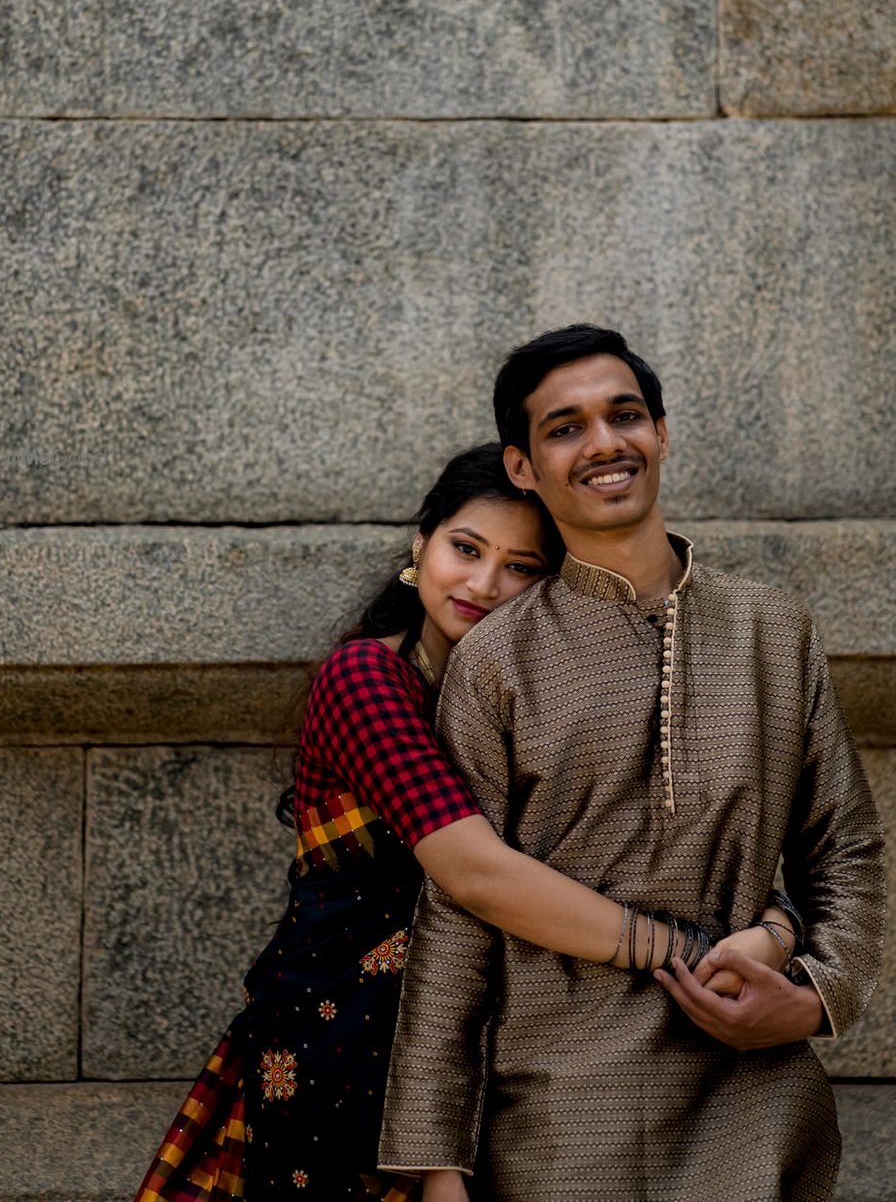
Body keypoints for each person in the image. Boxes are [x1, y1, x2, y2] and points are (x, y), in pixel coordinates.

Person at [133, 443, 749, 1202]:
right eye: (466, 549)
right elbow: (477, 874)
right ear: (421, 544)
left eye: (521, 567)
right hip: (348, 1052)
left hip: (500, 1058)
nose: (485, 585)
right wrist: (682, 953)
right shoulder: (367, 678)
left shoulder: (535, 705)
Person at [378, 327, 885, 1202]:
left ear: (661, 433)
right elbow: (458, 918)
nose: (605, 443)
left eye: (625, 416)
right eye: (565, 427)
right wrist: (437, 1167)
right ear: (524, 467)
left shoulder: (773, 629)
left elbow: (846, 850)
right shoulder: (497, 662)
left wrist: (813, 996)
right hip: (555, 1121)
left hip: (756, 1102)